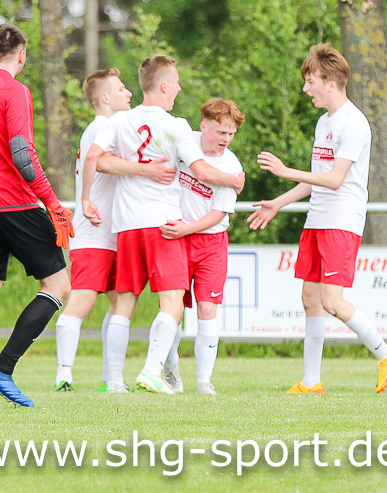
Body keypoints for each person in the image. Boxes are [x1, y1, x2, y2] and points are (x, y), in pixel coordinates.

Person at [247, 43, 387, 394]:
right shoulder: (324, 122)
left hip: (341, 221)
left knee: (332, 301)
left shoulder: (354, 123)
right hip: (317, 219)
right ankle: (311, 381)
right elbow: (315, 179)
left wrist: (285, 171)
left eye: (311, 82)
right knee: (310, 299)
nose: (306, 89)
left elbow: (335, 180)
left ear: (330, 83)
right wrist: (277, 203)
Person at [82, 55, 245, 394]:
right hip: (162, 224)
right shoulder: (176, 125)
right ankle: (151, 371)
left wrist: (86, 199)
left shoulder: (120, 120)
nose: (180, 89)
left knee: (124, 303)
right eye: (177, 83)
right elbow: (201, 170)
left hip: (126, 224)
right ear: (165, 86)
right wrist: (232, 180)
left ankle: (114, 381)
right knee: (172, 303)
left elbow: (95, 159)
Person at [0, 23, 74, 408]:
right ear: (22, 55)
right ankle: (2, 369)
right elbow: (22, 154)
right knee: (58, 286)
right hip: (13, 204)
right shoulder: (15, 90)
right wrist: (52, 203)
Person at [54, 68, 139, 393]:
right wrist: (147, 170)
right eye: (121, 89)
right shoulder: (102, 126)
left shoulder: (111, 126)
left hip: (113, 232)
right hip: (94, 232)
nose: (128, 93)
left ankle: (111, 378)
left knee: (120, 303)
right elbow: (101, 162)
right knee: (83, 301)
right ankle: (64, 375)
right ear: (105, 97)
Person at [159, 98, 245, 395]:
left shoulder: (232, 165)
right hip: (176, 239)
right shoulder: (185, 144)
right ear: (204, 126)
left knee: (207, 308)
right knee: (172, 308)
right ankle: (170, 372)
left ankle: (203, 381)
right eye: (221, 132)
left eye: (231, 134)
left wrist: (187, 228)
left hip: (210, 242)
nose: (226, 139)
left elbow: (219, 214)